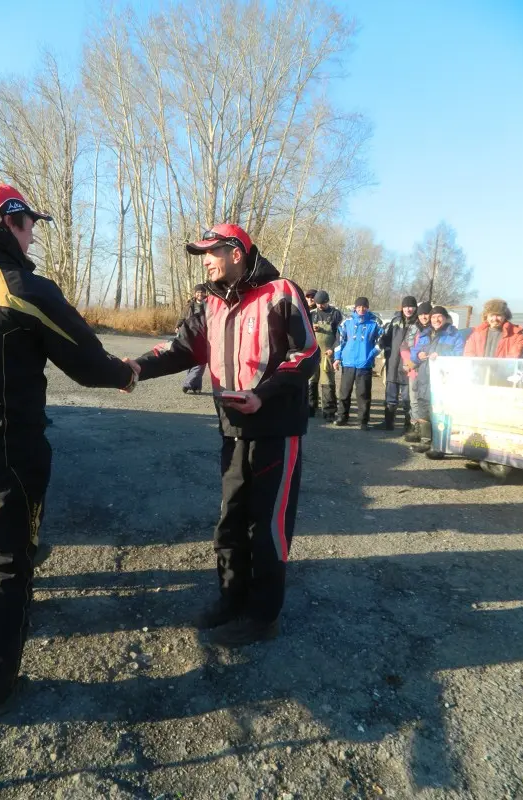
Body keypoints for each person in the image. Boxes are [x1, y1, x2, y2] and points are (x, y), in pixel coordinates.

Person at [0, 183, 138, 721]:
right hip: (1, 457)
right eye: (29, 226)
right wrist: (128, 374)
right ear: (8, 222)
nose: (33, 237)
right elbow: (89, 364)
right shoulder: (20, 285)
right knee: (3, 567)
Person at [134, 223, 319, 646]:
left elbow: (307, 354)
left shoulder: (282, 291)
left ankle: (263, 616)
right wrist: (135, 367)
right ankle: (230, 599)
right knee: (231, 519)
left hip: (276, 428)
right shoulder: (208, 301)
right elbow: (183, 349)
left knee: (267, 525)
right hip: (232, 428)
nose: (206, 261)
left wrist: (263, 395)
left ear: (237, 251)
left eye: (212, 252)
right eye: (202, 254)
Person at [463, 299, 523, 479]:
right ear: (486, 316)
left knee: (500, 422)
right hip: (480, 383)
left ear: (505, 316)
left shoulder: (515, 334)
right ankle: (478, 456)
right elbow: (469, 354)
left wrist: (498, 370)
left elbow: (514, 357)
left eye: (499, 315)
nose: (495, 318)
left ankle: (500, 460)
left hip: (502, 385)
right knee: (479, 419)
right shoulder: (477, 333)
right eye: (492, 315)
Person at [410, 306, 464, 458]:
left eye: (439, 317)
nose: (436, 320)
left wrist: (441, 354)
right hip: (424, 378)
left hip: (442, 381)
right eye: (433, 317)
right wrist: (418, 355)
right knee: (424, 412)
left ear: (446, 318)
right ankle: (425, 442)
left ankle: (439, 446)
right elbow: (414, 353)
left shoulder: (454, 335)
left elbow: (460, 354)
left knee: (440, 413)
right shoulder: (425, 333)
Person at [333, 297, 383, 430]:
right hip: (348, 362)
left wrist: (370, 355)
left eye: (364, 307)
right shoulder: (347, 322)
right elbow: (339, 340)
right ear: (355, 307)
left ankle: (363, 421)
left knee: (363, 394)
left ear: (368, 307)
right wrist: (337, 358)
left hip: (364, 363)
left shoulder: (375, 322)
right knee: (344, 392)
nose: (361, 309)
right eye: (359, 307)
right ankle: (342, 417)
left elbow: (381, 342)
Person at [375, 296, 418, 431]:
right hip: (393, 364)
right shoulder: (395, 321)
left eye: (411, 306)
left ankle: (408, 425)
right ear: (402, 307)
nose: (408, 309)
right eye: (406, 306)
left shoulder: (418, 324)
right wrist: (385, 348)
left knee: (408, 398)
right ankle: (388, 423)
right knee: (390, 396)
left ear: (415, 308)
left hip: (409, 365)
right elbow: (385, 338)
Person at [401, 301, 432, 443]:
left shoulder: (435, 329)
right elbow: (404, 346)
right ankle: (416, 427)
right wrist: (408, 363)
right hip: (413, 369)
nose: (424, 317)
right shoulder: (413, 328)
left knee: (427, 401)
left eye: (426, 314)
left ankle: (429, 431)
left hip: (430, 371)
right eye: (421, 314)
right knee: (414, 400)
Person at [309, 291, 342, 420]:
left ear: (327, 301)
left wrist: (333, 349)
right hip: (313, 353)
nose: (320, 306)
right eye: (317, 304)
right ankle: (310, 408)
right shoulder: (312, 314)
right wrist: (312, 328)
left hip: (327, 353)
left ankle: (329, 411)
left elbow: (340, 335)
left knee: (327, 381)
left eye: (322, 303)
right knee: (311, 380)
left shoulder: (335, 314)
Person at [181, 284, 208, 394]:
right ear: (194, 293)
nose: (200, 294)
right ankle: (196, 386)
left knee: (201, 360)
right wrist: (178, 326)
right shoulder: (189, 305)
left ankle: (188, 383)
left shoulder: (209, 304)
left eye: (202, 292)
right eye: (198, 292)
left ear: (205, 293)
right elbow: (182, 316)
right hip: (190, 333)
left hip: (204, 335)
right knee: (192, 358)